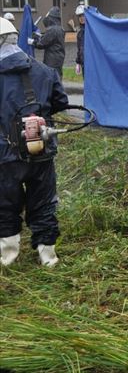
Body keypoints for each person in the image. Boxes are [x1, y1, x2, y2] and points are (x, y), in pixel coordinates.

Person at [0, 17, 69, 267]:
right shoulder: (44, 71)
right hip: (42, 150)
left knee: (6, 203)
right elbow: (60, 102)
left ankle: (8, 257)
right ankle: (47, 256)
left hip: (5, 155)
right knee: (44, 201)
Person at [29, 6, 66, 79]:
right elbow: (49, 39)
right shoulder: (60, 28)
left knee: (52, 79)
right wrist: (39, 36)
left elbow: (42, 44)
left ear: (51, 18)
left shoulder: (52, 30)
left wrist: (32, 41)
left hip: (52, 60)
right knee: (57, 78)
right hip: (58, 58)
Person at [75, 5, 86, 76]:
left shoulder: (91, 31)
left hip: (92, 64)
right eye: (79, 16)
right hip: (83, 63)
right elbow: (80, 49)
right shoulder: (80, 33)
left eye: (83, 15)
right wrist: (78, 62)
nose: (81, 18)